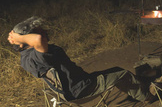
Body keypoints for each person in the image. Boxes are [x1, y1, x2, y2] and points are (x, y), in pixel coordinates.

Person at [8, 16, 153, 102]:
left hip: (65, 92)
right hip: (81, 89)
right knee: (121, 73)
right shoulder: (37, 55)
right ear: (27, 40)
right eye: (39, 32)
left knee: (114, 71)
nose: (44, 33)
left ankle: (140, 86)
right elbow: (39, 40)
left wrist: (18, 38)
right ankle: (147, 96)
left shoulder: (25, 58)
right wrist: (19, 37)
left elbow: (37, 39)